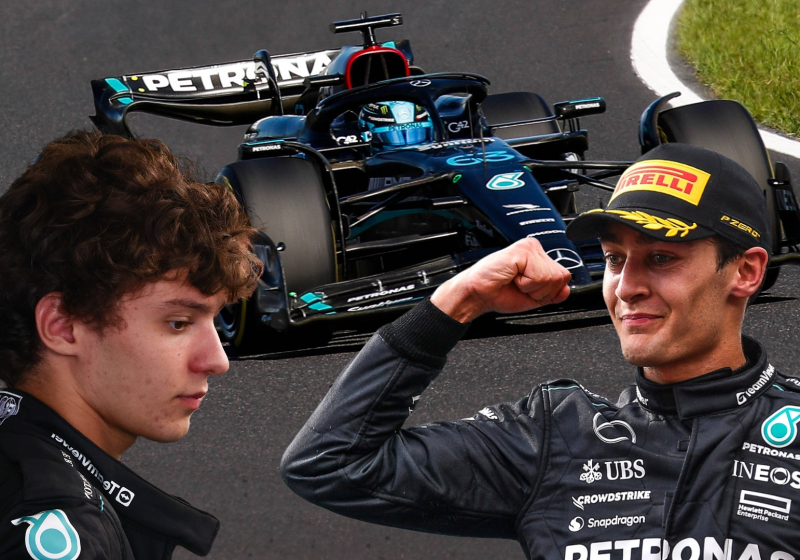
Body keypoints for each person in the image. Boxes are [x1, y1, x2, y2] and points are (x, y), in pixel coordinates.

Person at [282, 143, 800, 559]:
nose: (626, 287)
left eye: (661, 258)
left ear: (746, 271)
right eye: (616, 260)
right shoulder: (554, 437)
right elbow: (328, 464)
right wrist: (455, 303)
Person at [0, 131, 261, 559]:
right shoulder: (63, 532)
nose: (216, 361)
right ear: (63, 325)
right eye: (178, 323)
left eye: (215, 321)